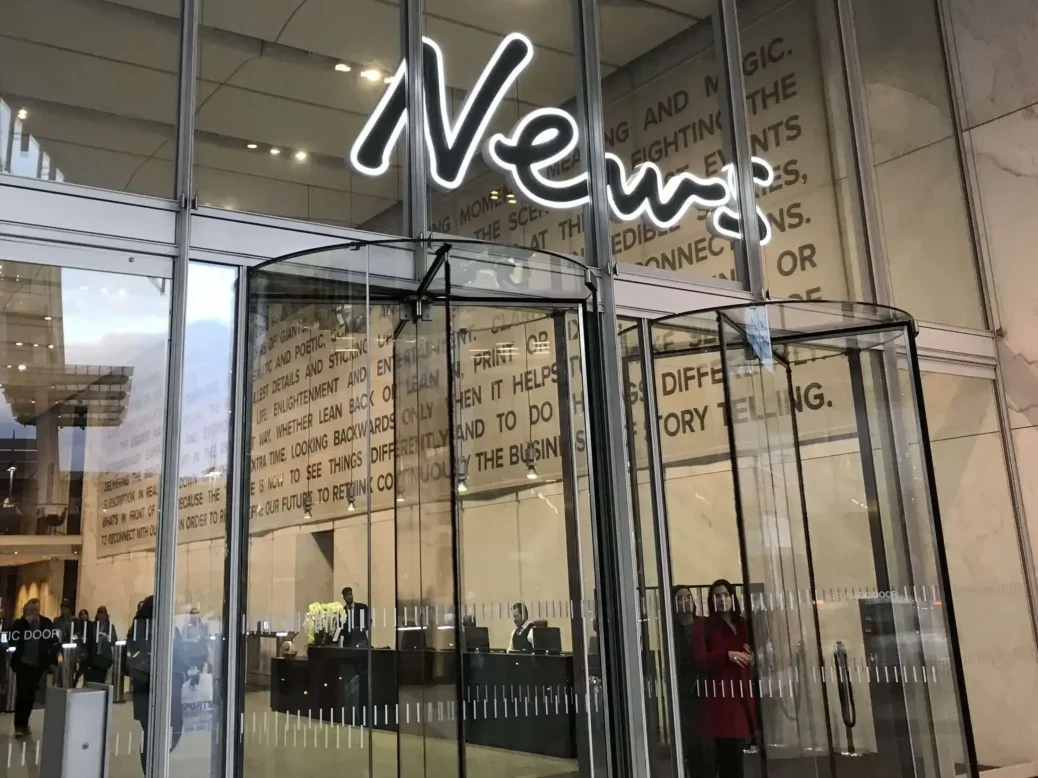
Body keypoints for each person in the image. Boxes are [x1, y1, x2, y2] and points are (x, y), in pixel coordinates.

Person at [695, 580, 756, 778]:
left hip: (743, 692)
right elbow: (699, 658)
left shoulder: (743, 623)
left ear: (732, 597)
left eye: (726, 595)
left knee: (740, 755)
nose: (722, 600)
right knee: (728, 757)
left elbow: (758, 651)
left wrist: (753, 655)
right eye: (717, 596)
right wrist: (726, 655)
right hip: (722, 697)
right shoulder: (705, 626)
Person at [127, 596, 184, 775]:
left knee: (171, 729)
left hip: (167, 687)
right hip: (147, 687)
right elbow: (129, 658)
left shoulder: (170, 628)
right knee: (150, 732)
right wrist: (145, 662)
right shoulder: (139, 630)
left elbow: (180, 654)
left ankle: (156, 766)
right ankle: (151, 771)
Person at [673, 586, 714, 777]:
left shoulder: (703, 624)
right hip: (684, 690)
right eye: (679, 599)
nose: (684, 602)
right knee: (691, 740)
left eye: (687, 597)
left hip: (707, 686)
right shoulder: (671, 630)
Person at [9, 598, 58, 737]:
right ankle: (19, 725)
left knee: (30, 694)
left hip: (38, 664)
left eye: (36, 610)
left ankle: (25, 722)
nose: (34, 613)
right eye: (31, 610)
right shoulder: (20, 623)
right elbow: (12, 638)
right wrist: (25, 623)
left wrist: (53, 661)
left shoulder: (45, 623)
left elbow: (52, 642)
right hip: (23, 664)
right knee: (22, 693)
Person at [84, 606, 117, 684]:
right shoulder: (93, 625)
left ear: (106, 615)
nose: (101, 615)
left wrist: (106, 638)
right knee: (92, 678)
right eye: (100, 613)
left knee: (101, 678)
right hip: (94, 655)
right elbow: (88, 639)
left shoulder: (110, 626)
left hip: (104, 656)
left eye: (103, 613)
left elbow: (114, 640)